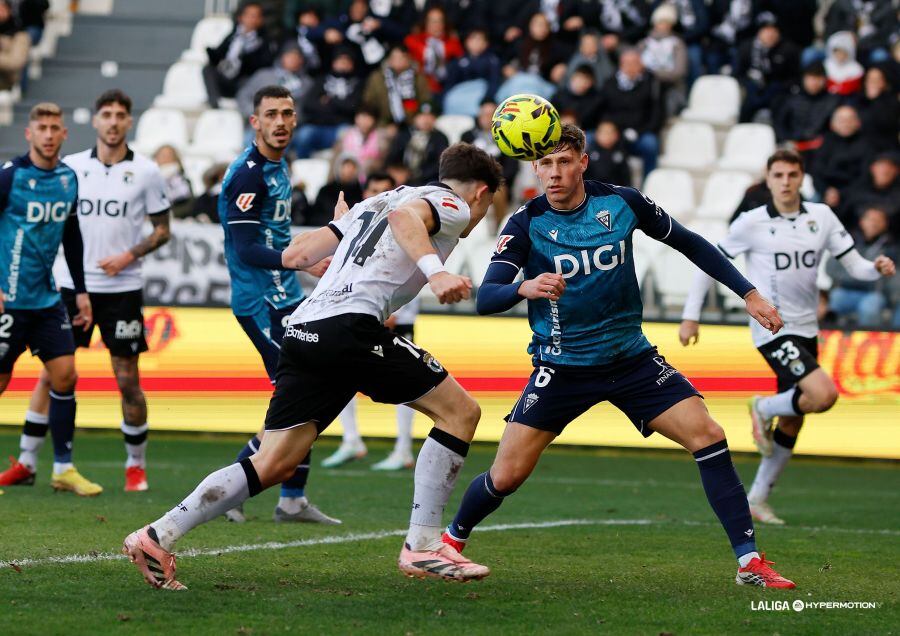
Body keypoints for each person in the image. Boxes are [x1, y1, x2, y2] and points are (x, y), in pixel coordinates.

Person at [123, 142, 504, 589]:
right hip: (350, 328)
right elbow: (405, 222)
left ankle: (158, 534)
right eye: (486, 206)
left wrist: (343, 228)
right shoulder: (450, 202)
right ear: (481, 192)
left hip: (304, 328)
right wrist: (435, 272)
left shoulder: (376, 201)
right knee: (461, 412)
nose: (477, 217)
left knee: (273, 462)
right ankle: (422, 545)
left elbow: (297, 256)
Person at [441, 123, 797, 589]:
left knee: (708, 435)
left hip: (630, 359)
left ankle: (750, 563)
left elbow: (689, 242)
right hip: (561, 367)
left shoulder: (622, 203)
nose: (554, 173)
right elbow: (487, 297)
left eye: (564, 161)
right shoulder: (527, 222)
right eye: (545, 164)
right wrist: (524, 286)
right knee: (506, 476)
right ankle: (451, 541)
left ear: (583, 162)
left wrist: (748, 293)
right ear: (535, 168)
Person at [680, 149, 895, 525]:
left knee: (796, 417)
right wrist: (690, 316)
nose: (785, 182)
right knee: (822, 394)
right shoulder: (751, 222)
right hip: (773, 328)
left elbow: (854, 263)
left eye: (791, 175)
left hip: (807, 327)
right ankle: (763, 407)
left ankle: (757, 499)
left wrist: (875, 267)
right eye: (777, 175)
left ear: (801, 178)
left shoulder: (822, 217)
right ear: (768, 180)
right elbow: (709, 263)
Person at [2, 90, 171, 493]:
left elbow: (163, 229)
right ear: (94, 121)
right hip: (60, 288)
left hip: (121, 288)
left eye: (120, 115)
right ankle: (27, 461)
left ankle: (134, 467)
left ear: (129, 121)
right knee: (51, 374)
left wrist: (129, 255)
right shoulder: (69, 168)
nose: (113, 122)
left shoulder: (146, 171)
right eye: (106, 114)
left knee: (125, 377)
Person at [216, 85, 338, 526]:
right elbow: (247, 248)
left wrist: (309, 265)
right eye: (272, 114)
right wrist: (291, 259)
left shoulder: (277, 167)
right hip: (259, 302)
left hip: (286, 294)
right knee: (299, 393)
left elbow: (273, 238)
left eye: (287, 113)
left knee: (311, 389)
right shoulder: (248, 174)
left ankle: (290, 498)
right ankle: (235, 489)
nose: (281, 122)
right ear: (255, 122)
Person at [0, 103, 95, 495]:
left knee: (66, 374)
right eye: (42, 127)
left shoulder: (68, 178)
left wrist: (83, 289)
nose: (49, 134)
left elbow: (72, 236)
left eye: (56, 127)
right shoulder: (11, 177)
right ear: (29, 133)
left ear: (64, 134)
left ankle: (62, 468)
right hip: (10, 299)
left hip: (46, 299)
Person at [826, 205, 897, 327]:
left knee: (870, 307)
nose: (873, 224)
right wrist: (857, 275)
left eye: (878, 220)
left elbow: (893, 276)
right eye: (870, 219)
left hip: (875, 293)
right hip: (847, 290)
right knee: (835, 299)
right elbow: (830, 268)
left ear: (885, 224)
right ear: (861, 222)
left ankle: (868, 344)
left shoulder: (891, 247)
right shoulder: (847, 241)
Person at [203, 1, 276, 108]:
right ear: (241, 17)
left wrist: (246, 57)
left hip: (244, 81)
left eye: (256, 16)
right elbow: (219, 56)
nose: (252, 19)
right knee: (208, 69)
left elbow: (264, 64)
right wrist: (211, 52)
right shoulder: (233, 36)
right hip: (227, 77)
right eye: (249, 15)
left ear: (261, 20)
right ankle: (214, 102)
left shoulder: (264, 41)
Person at [153, 145, 194, 219]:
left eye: (169, 155)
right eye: (162, 155)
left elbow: (189, 205)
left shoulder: (183, 182)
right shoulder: (148, 179)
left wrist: (170, 214)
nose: (165, 159)